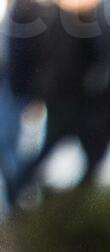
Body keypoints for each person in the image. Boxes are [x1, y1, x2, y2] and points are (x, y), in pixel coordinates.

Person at [12, 0, 110, 200]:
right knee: (74, 152)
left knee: (85, 153)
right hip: (72, 100)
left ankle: (47, 200)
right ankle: (27, 198)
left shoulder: (82, 17)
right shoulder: (108, 14)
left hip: (71, 98)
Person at [0, 0, 49, 204]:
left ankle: (20, 193)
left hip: (18, 90)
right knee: (8, 146)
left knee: (14, 147)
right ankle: (17, 195)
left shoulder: (29, 12)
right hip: (11, 87)